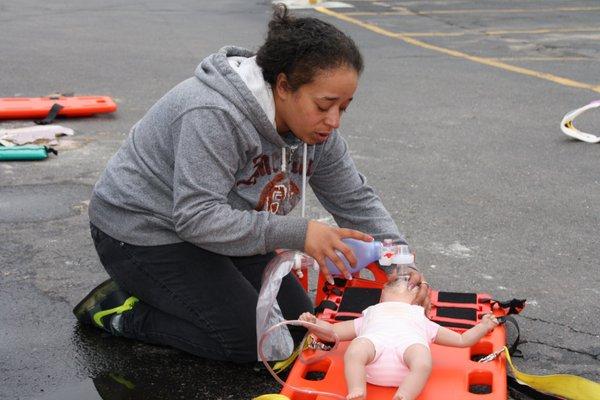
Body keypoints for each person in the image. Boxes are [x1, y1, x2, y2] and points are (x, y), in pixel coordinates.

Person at [73, 4, 428, 363]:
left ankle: (182, 295)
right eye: (324, 105)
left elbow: (355, 199)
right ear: (284, 86)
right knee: (251, 343)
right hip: (143, 232)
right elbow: (196, 217)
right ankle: (122, 310)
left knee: (295, 328)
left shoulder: (317, 132)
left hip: (222, 232)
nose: (333, 121)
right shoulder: (214, 113)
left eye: (344, 108)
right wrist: (301, 232)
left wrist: (400, 266)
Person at [299, 278, 500, 400]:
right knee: (355, 350)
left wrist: (482, 327)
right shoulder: (370, 314)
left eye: (409, 285)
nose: (404, 283)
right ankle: (357, 389)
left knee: (421, 360)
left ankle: (406, 394)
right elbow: (334, 332)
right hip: (373, 348)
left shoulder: (422, 319)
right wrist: (314, 325)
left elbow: (462, 340)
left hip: (407, 350)